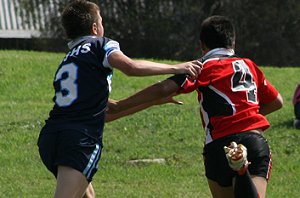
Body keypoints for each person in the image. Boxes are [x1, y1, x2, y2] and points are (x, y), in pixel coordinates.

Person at [37, 0, 201, 197]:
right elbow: (130, 67)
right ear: (95, 28)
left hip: (50, 138)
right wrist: (176, 67)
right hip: (79, 140)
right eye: (102, 21)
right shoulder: (101, 45)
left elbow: (109, 111)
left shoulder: (71, 58)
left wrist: (152, 101)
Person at [107, 15, 283, 198]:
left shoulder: (202, 67)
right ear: (233, 42)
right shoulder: (249, 65)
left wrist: (120, 105)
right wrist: (247, 115)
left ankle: (240, 168)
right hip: (253, 140)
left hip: (218, 147)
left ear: (202, 45)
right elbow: (276, 102)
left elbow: (163, 89)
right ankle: (241, 168)